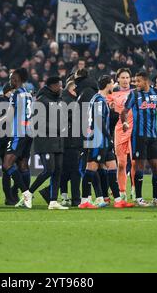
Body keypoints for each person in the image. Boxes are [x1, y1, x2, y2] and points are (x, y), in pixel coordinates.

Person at [79, 75, 135, 209]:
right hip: (98, 140)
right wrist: (109, 137)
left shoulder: (100, 100)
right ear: (107, 85)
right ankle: (84, 201)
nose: (114, 85)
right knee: (90, 169)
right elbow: (99, 121)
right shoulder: (98, 100)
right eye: (112, 83)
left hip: (103, 140)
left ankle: (118, 200)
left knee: (112, 168)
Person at [121, 71, 157, 207]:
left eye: (138, 81)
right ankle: (139, 198)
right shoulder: (134, 94)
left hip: (154, 136)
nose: (136, 83)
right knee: (139, 166)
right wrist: (124, 122)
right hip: (139, 136)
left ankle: (156, 198)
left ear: (146, 81)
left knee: (156, 166)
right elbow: (124, 111)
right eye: (135, 81)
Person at [26, 76, 68, 210]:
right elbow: (38, 124)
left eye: (61, 86)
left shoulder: (59, 100)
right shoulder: (41, 101)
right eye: (58, 86)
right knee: (49, 170)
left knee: (58, 170)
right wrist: (58, 128)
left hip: (58, 141)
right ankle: (29, 192)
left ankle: (53, 201)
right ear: (51, 86)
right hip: (45, 141)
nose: (61, 88)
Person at [0, 68, 33, 209]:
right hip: (28, 132)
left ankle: (26, 193)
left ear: (17, 79)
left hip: (18, 133)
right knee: (23, 165)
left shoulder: (16, 95)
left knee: (7, 165)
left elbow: (8, 116)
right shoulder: (28, 94)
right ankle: (26, 199)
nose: (10, 81)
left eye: (11, 78)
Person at [106, 68, 134, 201]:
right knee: (121, 163)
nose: (125, 80)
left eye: (127, 77)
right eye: (122, 78)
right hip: (119, 130)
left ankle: (135, 192)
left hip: (134, 129)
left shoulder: (135, 93)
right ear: (118, 79)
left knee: (135, 163)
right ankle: (122, 192)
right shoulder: (112, 94)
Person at [0, 83, 17, 205]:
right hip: (5, 139)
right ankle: (9, 197)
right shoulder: (1, 102)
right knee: (7, 169)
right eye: (14, 91)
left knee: (15, 168)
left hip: (13, 137)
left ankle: (13, 194)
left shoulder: (7, 101)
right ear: (8, 91)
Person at [59, 79, 81, 207]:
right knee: (74, 171)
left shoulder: (63, 100)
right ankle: (76, 198)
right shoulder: (70, 103)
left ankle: (64, 196)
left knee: (65, 171)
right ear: (72, 90)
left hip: (64, 141)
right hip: (71, 141)